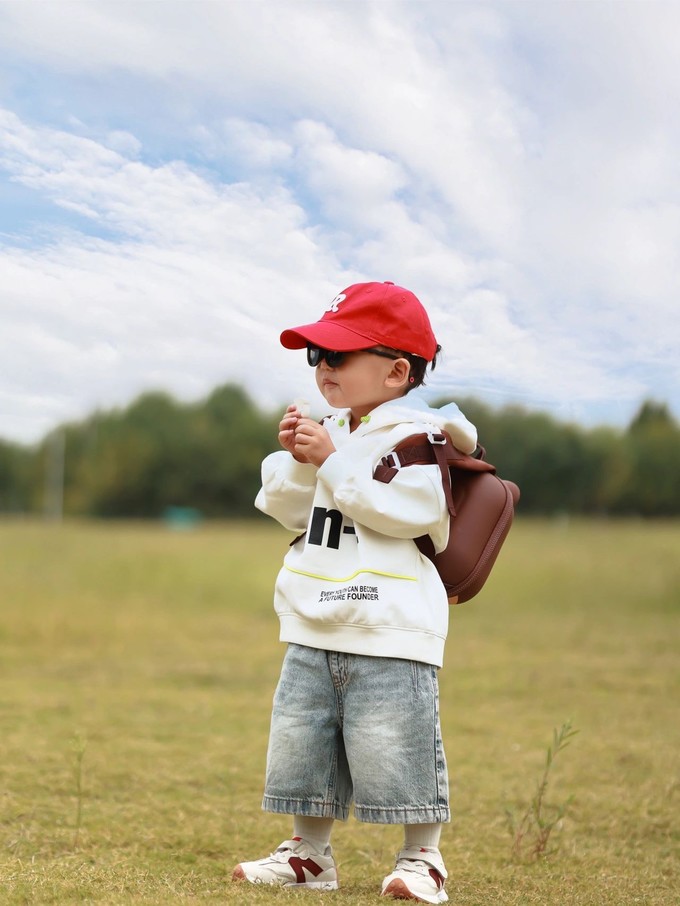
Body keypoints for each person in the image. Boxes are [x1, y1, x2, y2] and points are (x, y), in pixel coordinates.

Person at [232, 281, 477, 903]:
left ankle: (423, 859)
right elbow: (285, 510)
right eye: (317, 356)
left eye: (338, 356)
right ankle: (307, 854)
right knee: (304, 741)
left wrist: (335, 461)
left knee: (397, 746)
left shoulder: (422, 438)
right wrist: (297, 457)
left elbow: (408, 512)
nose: (323, 368)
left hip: (391, 624)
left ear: (397, 371)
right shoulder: (330, 429)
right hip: (314, 618)